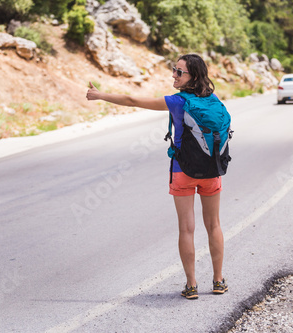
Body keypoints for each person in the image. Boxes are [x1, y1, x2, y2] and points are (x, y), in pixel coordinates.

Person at [86, 54, 227, 300]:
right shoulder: (213, 99)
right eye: (174, 70)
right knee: (213, 224)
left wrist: (100, 95)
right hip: (212, 170)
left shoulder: (177, 101)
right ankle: (218, 281)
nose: (173, 75)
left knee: (186, 229)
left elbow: (132, 100)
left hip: (182, 172)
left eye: (179, 72)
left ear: (192, 76)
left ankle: (191, 285)